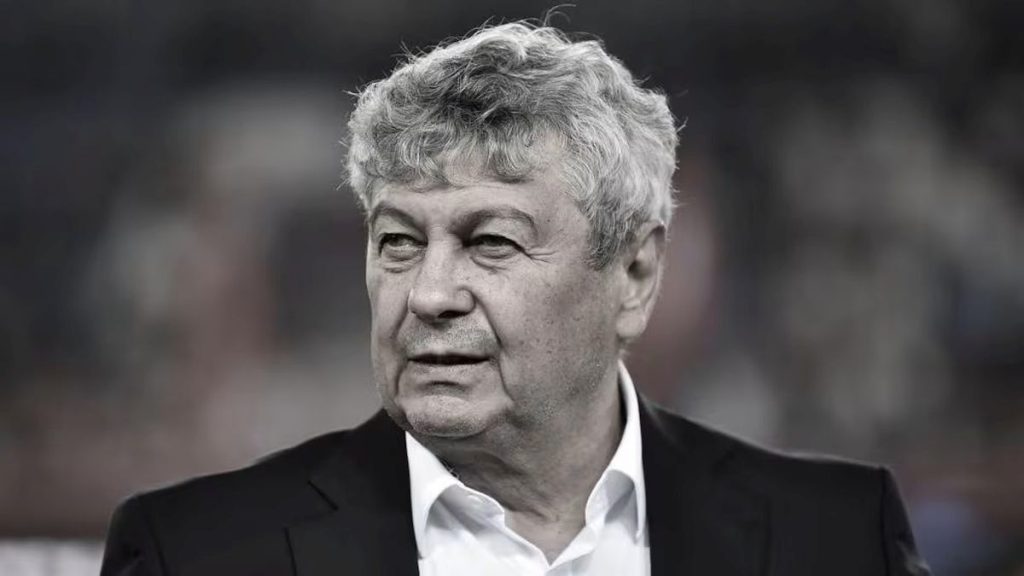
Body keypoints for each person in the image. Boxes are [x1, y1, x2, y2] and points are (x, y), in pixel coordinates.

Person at [100, 21, 930, 575]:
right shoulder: (196, 554)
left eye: (491, 242)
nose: (428, 294)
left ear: (635, 276)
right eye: (398, 242)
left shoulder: (837, 539)